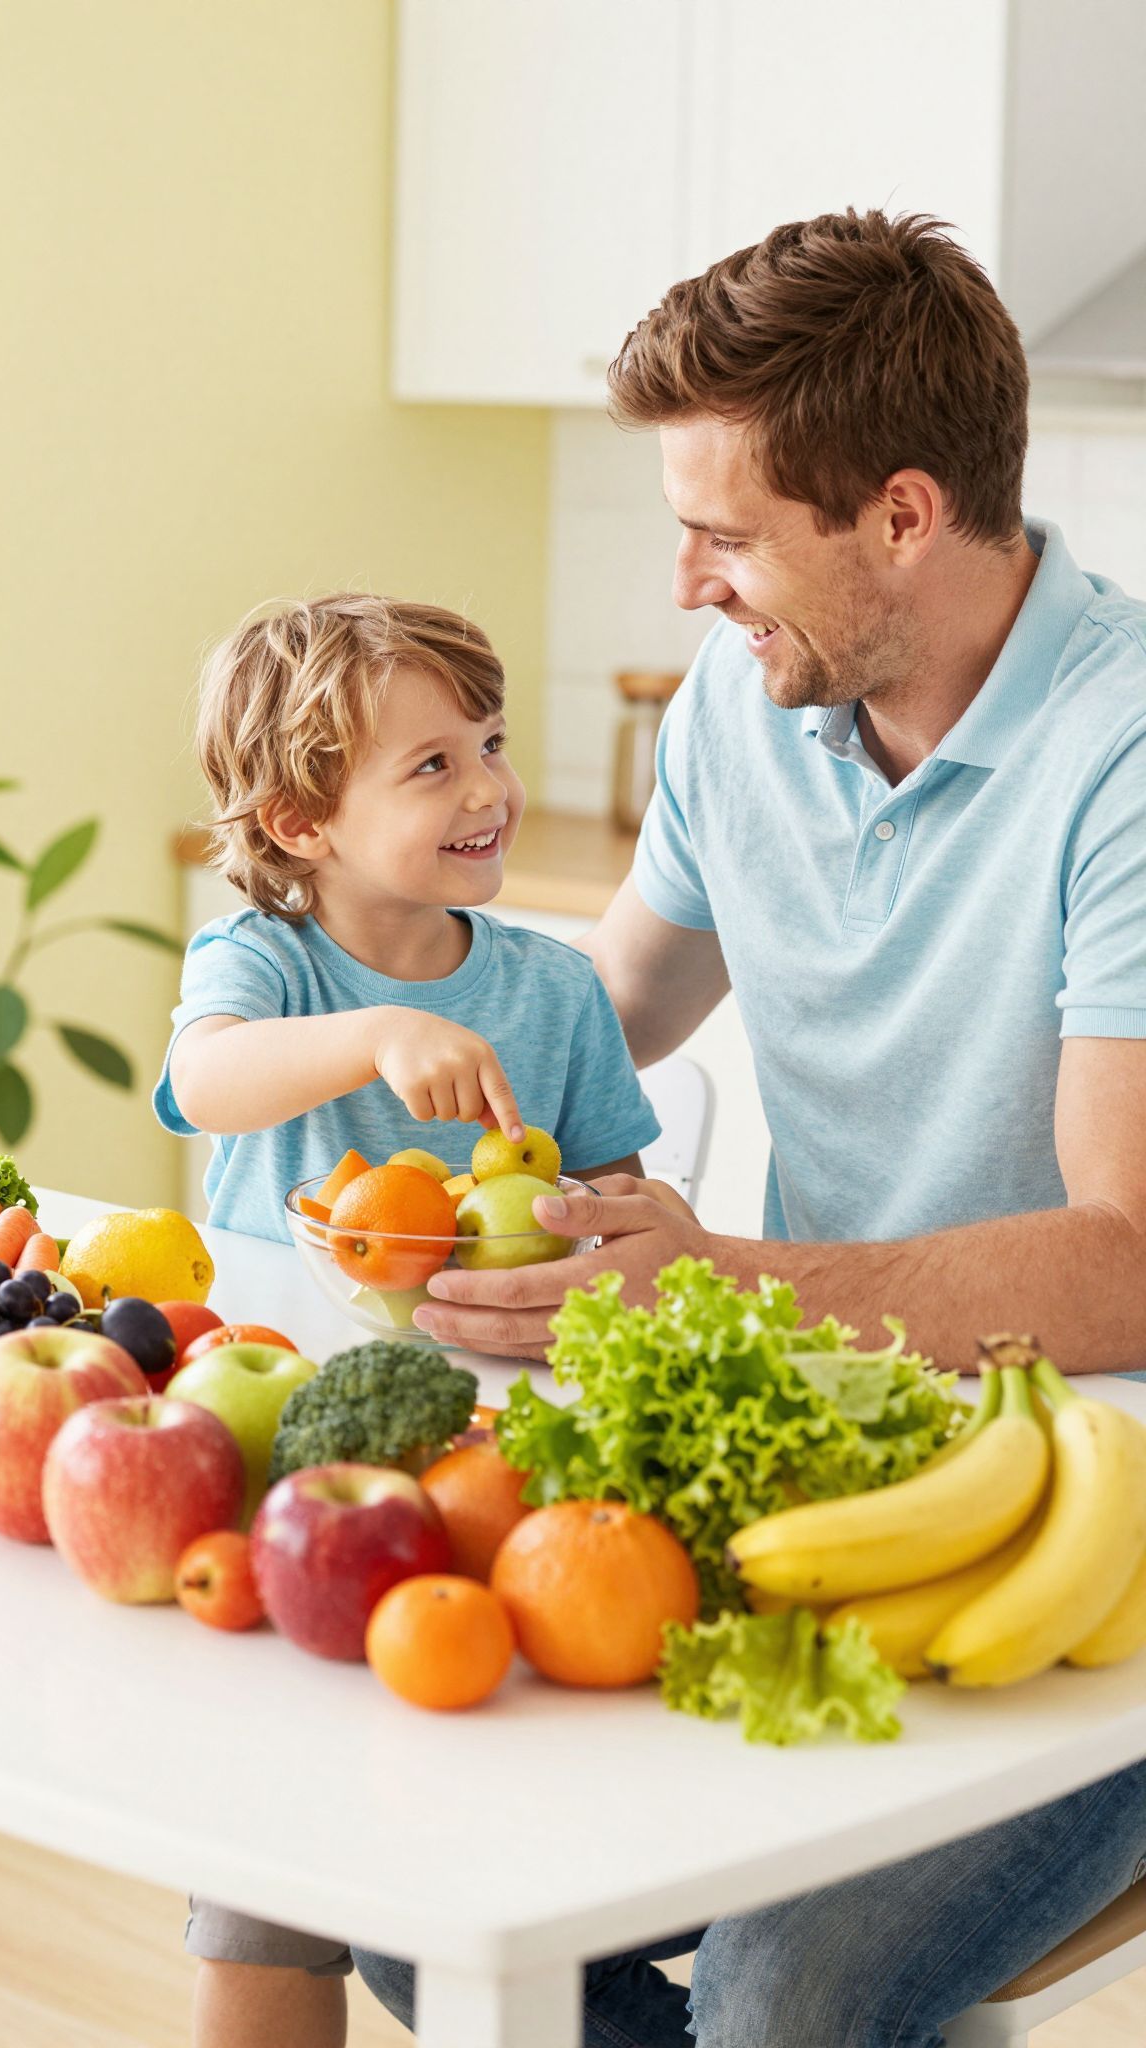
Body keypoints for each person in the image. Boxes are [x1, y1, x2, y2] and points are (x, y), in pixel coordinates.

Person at [354, 213, 1146, 2043]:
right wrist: (379, 1070)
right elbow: (600, 1025)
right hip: (837, 1470)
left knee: (784, 1999)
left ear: (901, 514)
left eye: (726, 537)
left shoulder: (1120, 752)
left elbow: (1125, 1258)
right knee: (409, 1883)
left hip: (1093, 1526)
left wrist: (721, 1284)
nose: (691, 585)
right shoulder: (750, 699)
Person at [153, 591, 660, 2048]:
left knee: (473, 1824)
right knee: (267, 1881)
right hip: (292, 1464)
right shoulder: (263, 964)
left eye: (489, 744)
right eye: (430, 764)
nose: (490, 787)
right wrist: (376, 1036)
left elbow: (621, 1202)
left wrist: (602, 1226)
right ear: (304, 818)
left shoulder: (553, 992)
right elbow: (209, 1082)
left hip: (502, 1461)